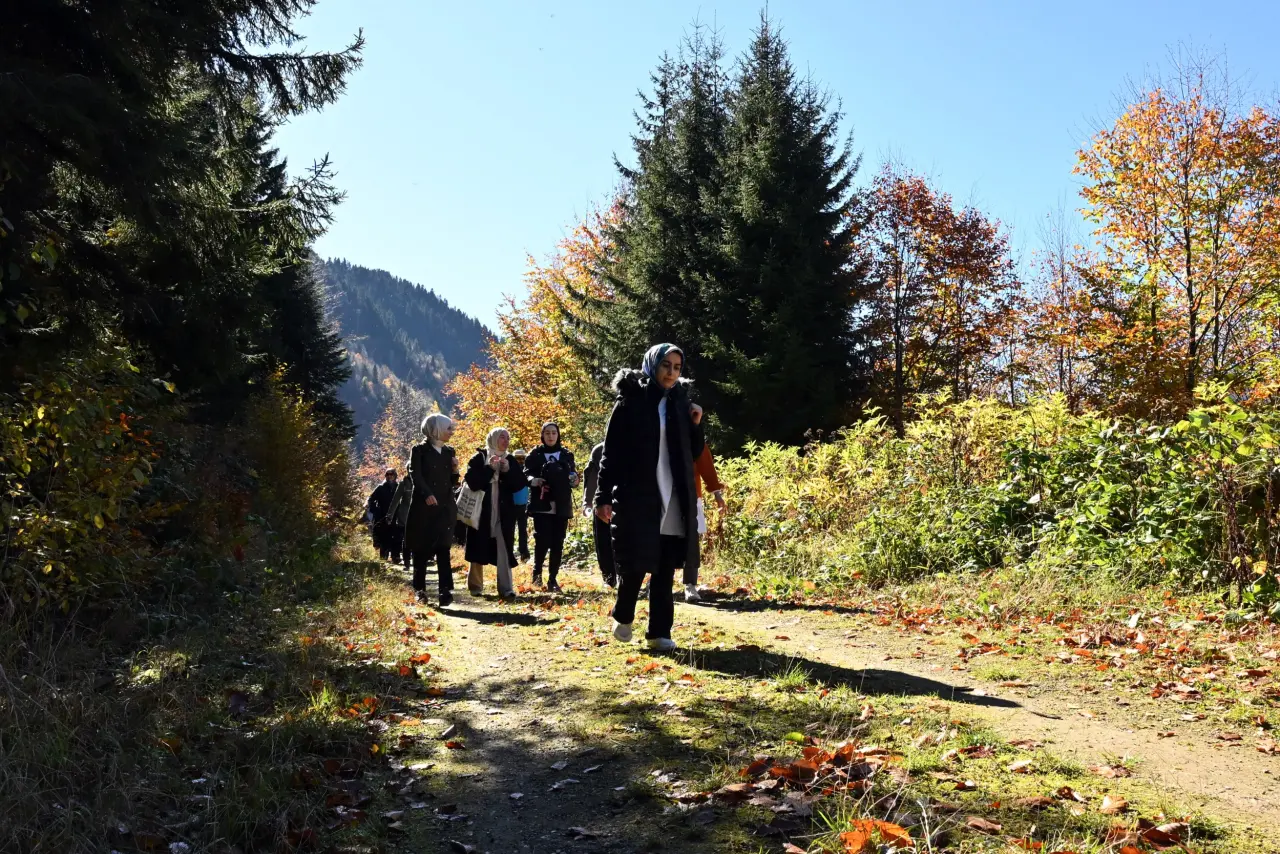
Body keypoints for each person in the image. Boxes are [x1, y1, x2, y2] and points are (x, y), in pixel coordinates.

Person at [594, 343, 705, 652]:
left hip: (674, 494)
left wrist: (696, 426)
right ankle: (623, 614)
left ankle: (659, 632)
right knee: (636, 561)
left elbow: (694, 452)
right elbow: (611, 452)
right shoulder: (631, 400)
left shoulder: (681, 404)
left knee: (665, 566)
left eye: (677, 367)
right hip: (639, 494)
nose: (671, 373)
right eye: (666, 365)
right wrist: (602, 495)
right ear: (652, 364)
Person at [463, 427, 525, 599]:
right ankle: (475, 586)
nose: (506, 441)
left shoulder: (510, 459)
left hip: (504, 512)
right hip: (481, 511)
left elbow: (519, 485)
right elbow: (473, 482)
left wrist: (508, 471)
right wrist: (490, 468)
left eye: (508, 437)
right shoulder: (479, 457)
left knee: (504, 548)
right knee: (477, 545)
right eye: (502, 437)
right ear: (493, 439)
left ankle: (506, 588)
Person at [404, 415, 460, 606]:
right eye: (449, 428)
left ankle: (445, 591)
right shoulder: (419, 450)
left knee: (443, 548)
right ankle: (420, 590)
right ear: (436, 430)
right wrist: (426, 493)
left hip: (445, 507)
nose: (452, 432)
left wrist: (455, 471)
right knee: (421, 549)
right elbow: (415, 474)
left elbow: (452, 483)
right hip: (424, 507)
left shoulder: (449, 451)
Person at [525, 422, 578, 591]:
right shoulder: (535, 454)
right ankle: (537, 574)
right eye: (547, 433)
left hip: (561, 503)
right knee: (542, 540)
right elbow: (526, 474)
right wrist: (535, 481)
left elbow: (573, 476)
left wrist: (575, 480)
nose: (550, 436)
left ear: (558, 435)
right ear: (542, 435)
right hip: (542, 503)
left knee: (558, 542)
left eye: (554, 433)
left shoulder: (566, 454)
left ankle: (553, 579)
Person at [684, 445, 728, 603]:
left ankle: (690, 585)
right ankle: (658, 581)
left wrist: (717, 495)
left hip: (691, 496)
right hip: (661, 497)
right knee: (661, 539)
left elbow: (706, 467)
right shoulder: (659, 431)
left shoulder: (694, 437)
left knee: (691, 542)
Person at [582, 441, 616, 588]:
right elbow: (590, 477)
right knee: (603, 541)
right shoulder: (599, 450)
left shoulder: (634, 445)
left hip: (625, 503)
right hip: (601, 503)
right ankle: (608, 578)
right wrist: (587, 502)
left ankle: (624, 576)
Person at [386, 459, 414, 571]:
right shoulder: (403, 484)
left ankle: (419, 563)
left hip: (419, 516)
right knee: (406, 540)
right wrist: (390, 515)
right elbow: (395, 500)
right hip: (404, 517)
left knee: (418, 540)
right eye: (410, 469)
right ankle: (407, 563)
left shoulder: (423, 482)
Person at [367, 469, 399, 562]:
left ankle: (395, 557)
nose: (389, 476)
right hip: (382, 516)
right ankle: (383, 559)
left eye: (391, 474)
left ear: (395, 476)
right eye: (387, 474)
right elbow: (371, 499)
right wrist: (375, 510)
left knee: (396, 537)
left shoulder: (398, 487)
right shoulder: (380, 488)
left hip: (395, 516)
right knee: (383, 538)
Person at [512, 448, 531, 562]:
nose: (520, 461)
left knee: (522, 530)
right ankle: (520, 552)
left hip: (523, 504)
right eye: (518, 458)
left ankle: (523, 552)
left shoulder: (527, 471)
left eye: (522, 458)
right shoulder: (510, 470)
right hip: (513, 504)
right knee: (515, 529)